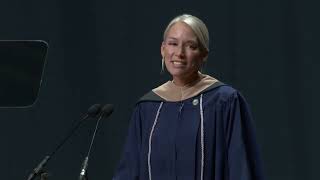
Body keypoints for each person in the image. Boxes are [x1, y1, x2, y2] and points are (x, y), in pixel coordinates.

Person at [112, 14, 263, 180]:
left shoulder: (224, 101)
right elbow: (129, 172)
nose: (179, 53)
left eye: (190, 46)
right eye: (173, 44)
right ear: (163, 49)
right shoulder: (148, 107)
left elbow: (241, 168)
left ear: (204, 54)